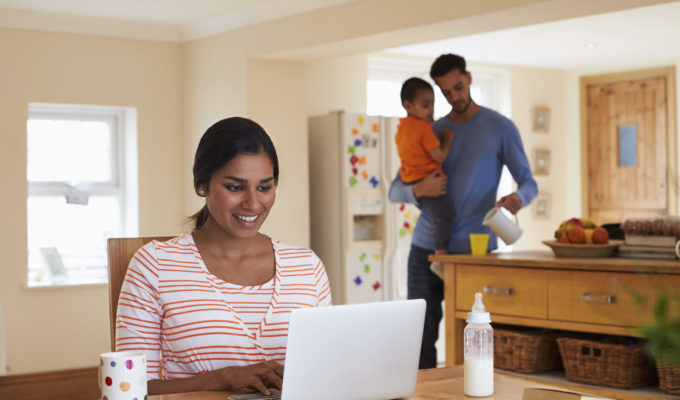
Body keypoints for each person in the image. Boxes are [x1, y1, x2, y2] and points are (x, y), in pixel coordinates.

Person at [116, 117, 332, 395]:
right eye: (235, 187)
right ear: (202, 185)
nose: (253, 203)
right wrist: (221, 378)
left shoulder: (307, 266)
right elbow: (126, 389)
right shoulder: (155, 265)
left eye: (264, 187)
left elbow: (326, 370)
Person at [388, 54, 538, 369]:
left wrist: (517, 199)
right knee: (419, 335)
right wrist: (419, 189)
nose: (454, 97)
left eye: (458, 87)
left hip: (476, 250)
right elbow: (394, 191)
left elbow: (529, 182)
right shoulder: (432, 130)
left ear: (469, 78)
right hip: (425, 249)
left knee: (476, 337)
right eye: (446, 92)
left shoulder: (499, 127)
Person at [394, 77, 454, 278]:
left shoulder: (401, 128)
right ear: (408, 106)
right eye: (426, 106)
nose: (431, 111)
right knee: (444, 214)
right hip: (429, 180)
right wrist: (446, 139)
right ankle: (440, 257)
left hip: (410, 178)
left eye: (433, 105)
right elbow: (440, 156)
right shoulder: (423, 128)